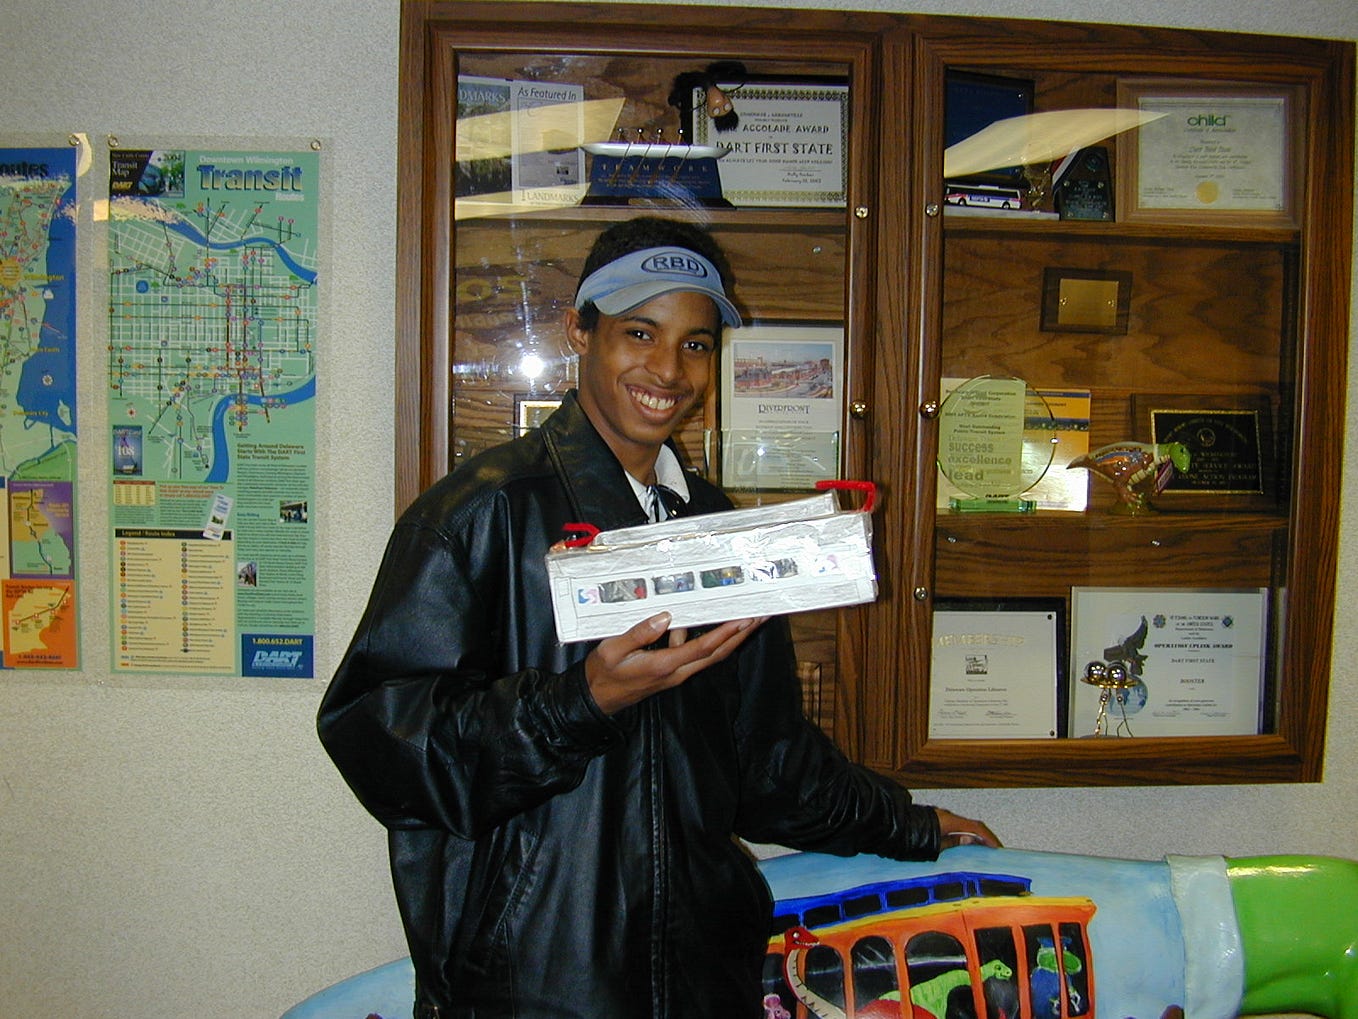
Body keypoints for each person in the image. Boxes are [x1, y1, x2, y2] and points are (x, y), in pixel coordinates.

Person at [318, 216, 999, 1019]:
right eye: (640, 332)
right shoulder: (481, 513)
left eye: (697, 343)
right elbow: (380, 744)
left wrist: (910, 824)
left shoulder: (716, 529)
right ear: (581, 331)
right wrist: (582, 702)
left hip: (701, 984)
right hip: (530, 991)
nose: (668, 369)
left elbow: (767, 763)